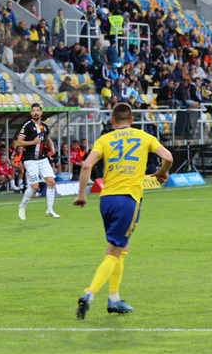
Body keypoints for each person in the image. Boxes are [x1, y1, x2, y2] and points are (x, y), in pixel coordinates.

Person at [72, 102, 173, 318]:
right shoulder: (144, 136)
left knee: (121, 248)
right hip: (128, 199)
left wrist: (82, 194)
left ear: (112, 121)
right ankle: (89, 294)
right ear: (132, 120)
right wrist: (162, 172)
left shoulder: (104, 139)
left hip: (106, 199)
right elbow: (168, 157)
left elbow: (87, 166)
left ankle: (114, 298)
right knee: (113, 252)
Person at [15, 102, 60, 220]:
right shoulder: (27, 126)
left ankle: (50, 209)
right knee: (35, 187)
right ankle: (22, 205)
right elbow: (19, 142)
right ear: (31, 113)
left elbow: (48, 137)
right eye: (33, 110)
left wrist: (52, 148)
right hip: (31, 160)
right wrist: (32, 143)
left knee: (51, 182)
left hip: (43, 159)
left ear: (41, 112)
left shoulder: (44, 126)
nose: (36, 112)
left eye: (38, 110)